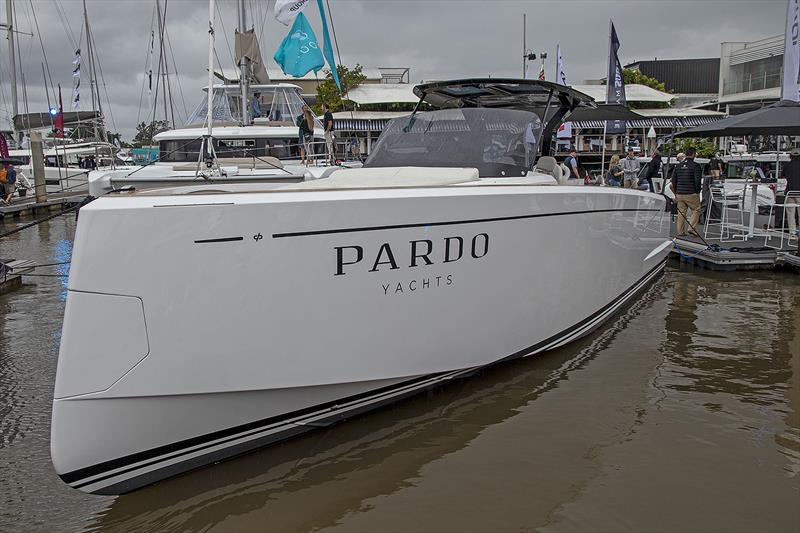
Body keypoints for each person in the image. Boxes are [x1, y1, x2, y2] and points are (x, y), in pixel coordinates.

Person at [671, 147, 703, 236]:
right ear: (693, 154)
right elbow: (697, 180)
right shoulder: (696, 166)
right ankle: (692, 228)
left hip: (679, 193)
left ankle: (680, 232)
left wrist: (676, 192)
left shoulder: (678, 166)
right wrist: (697, 191)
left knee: (681, 213)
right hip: (691, 193)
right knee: (696, 210)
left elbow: (673, 181)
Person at [781, 148, 800, 237]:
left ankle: (792, 232)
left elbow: (783, 174)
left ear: (791, 156)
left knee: (790, 212)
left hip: (790, 192)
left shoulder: (787, 165)